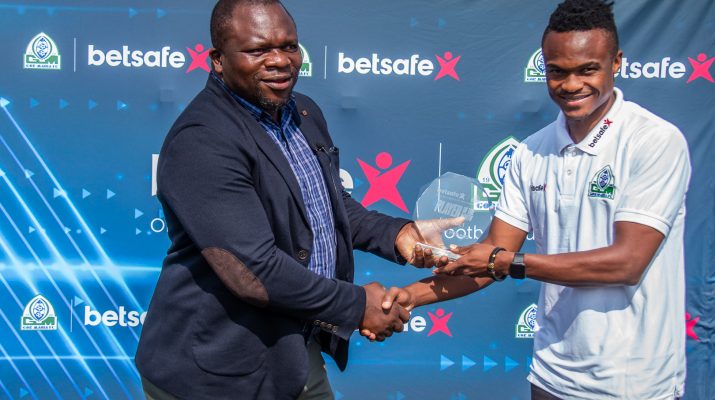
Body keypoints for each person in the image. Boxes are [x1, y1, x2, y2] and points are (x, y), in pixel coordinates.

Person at [134, 1, 455, 399]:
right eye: (257, 50)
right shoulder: (202, 140)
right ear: (218, 60)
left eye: (289, 46)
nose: (279, 61)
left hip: (294, 355)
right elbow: (254, 271)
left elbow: (327, 206)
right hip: (216, 374)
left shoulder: (303, 112)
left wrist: (398, 234)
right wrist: (357, 306)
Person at [379, 1, 691, 399]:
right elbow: (492, 256)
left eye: (587, 70)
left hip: (636, 384)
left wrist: (505, 261)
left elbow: (627, 263)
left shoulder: (654, 141)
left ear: (616, 63)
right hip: (551, 377)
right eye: (557, 71)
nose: (571, 84)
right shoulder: (531, 152)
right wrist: (412, 295)